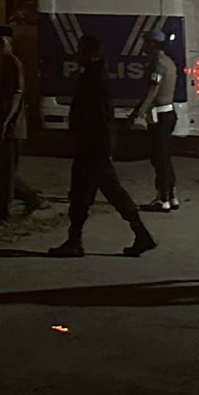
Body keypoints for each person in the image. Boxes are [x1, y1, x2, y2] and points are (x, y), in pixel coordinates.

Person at [49, 33, 157, 258]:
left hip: (93, 147)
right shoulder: (94, 75)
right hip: (92, 146)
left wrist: (101, 146)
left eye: (81, 51)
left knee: (93, 193)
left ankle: (77, 240)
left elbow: (99, 116)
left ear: (89, 52)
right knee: (89, 194)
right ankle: (78, 239)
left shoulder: (95, 77)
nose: (78, 55)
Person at [0, 25, 47, 219]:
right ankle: (31, 199)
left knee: (6, 170)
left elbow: (16, 95)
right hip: (5, 124)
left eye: (1, 41)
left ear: (10, 42)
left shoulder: (13, 64)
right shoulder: (4, 64)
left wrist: (6, 121)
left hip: (12, 127)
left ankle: (4, 213)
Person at [132, 31, 180, 212]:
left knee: (159, 159)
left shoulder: (158, 64)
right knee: (166, 157)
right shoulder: (169, 61)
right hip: (168, 113)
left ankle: (163, 199)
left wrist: (140, 112)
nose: (143, 47)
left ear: (152, 44)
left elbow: (153, 89)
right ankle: (172, 195)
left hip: (159, 116)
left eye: (145, 43)